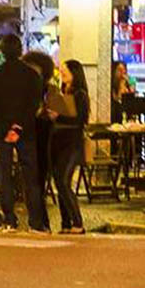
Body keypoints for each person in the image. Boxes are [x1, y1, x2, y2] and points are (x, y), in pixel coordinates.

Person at [0, 34, 49, 233]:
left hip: (3, 132)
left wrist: (5, 128)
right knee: (31, 177)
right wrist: (18, 127)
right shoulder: (31, 75)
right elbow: (34, 104)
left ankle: (9, 219)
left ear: (2, 52)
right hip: (26, 130)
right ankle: (36, 222)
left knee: (5, 175)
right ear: (20, 51)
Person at [47, 59, 89, 234]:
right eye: (61, 71)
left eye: (65, 71)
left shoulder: (80, 95)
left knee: (64, 181)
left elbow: (80, 120)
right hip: (57, 141)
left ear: (75, 73)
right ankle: (65, 222)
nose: (62, 74)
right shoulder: (62, 92)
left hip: (72, 143)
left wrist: (60, 115)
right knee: (58, 181)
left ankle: (77, 222)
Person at [22, 51, 59, 199]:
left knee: (40, 174)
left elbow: (56, 113)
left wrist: (51, 113)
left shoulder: (50, 89)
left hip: (44, 134)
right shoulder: (23, 88)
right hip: (27, 134)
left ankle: (40, 215)